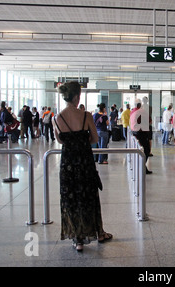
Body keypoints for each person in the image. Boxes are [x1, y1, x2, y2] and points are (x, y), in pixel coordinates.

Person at [52, 81, 112, 252]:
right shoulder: (85, 116)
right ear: (77, 97)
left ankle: (77, 239)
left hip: (68, 165)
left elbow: (60, 140)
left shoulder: (58, 118)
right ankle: (98, 232)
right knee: (89, 197)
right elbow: (94, 139)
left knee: (71, 199)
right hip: (85, 163)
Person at [130, 99, 152, 174]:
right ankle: (142, 166)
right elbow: (149, 121)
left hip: (134, 132)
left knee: (139, 149)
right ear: (140, 105)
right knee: (146, 150)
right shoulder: (142, 111)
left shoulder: (132, 111)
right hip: (141, 132)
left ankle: (139, 165)